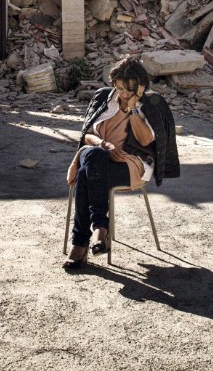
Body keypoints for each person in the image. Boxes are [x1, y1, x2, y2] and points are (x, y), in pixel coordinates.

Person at [62, 55, 180, 270]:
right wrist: (105, 145)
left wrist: (134, 108)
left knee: (84, 174)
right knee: (93, 156)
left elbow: (145, 139)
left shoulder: (152, 104)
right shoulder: (104, 99)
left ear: (141, 86)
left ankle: (80, 243)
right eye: (120, 88)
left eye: (129, 90)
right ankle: (99, 227)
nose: (124, 94)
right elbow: (87, 135)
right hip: (101, 158)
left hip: (132, 164)